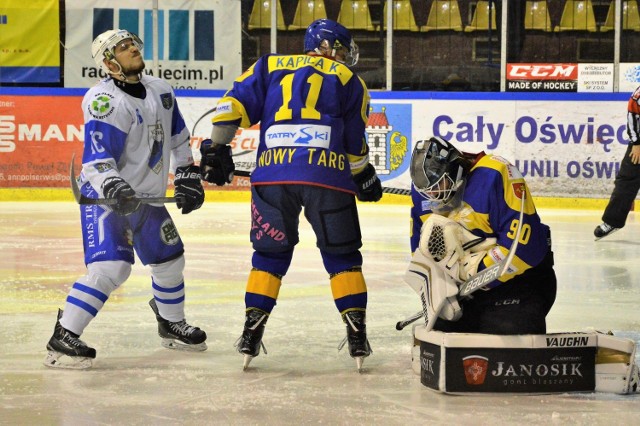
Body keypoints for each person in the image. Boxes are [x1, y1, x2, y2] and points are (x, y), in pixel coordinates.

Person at [200, 18, 382, 370]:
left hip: (273, 177)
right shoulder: (350, 80)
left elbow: (230, 106)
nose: (344, 56)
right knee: (342, 255)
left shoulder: (269, 64)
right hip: (327, 177)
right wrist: (363, 176)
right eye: (342, 49)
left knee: (269, 256)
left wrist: (217, 148)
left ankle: (251, 332)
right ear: (327, 47)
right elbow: (355, 145)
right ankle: (357, 335)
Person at [44, 29, 207, 369]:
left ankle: (170, 322)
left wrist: (188, 173)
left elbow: (178, 138)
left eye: (133, 43)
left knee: (170, 260)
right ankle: (64, 333)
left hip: (145, 197)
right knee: (111, 268)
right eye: (123, 47)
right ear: (109, 62)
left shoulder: (161, 91)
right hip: (107, 197)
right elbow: (98, 159)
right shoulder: (104, 101)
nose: (133, 48)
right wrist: (116, 188)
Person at [406, 136, 556, 334]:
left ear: (455, 170)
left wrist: (474, 272)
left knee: (508, 331)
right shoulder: (423, 194)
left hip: (521, 280)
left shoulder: (495, 174)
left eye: (438, 186)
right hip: (465, 292)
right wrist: (442, 289)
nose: (433, 195)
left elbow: (526, 248)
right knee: (441, 334)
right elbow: (422, 254)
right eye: (427, 191)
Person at [594, 85, 640, 240]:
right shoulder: (638, 95)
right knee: (627, 180)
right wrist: (636, 143)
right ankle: (612, 221)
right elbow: (633, 115)